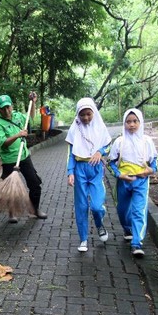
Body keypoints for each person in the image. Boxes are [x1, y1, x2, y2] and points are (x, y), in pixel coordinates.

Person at [108, 108, 158, 258]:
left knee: (138, 211)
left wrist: (150, 170)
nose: (132, 125)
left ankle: (137, 243)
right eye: (128, 121)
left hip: (141, 181)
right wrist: (119, 174)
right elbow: (111, 163)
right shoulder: (119, 142)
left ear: (140, 122)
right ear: (124, 123)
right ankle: (127, 228)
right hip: (123, 182)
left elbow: (154, 161)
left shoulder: (147, 141)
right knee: (122, 210)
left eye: (135, 121)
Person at [0, 93, 48, 222]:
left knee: (35, 184)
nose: (6, 110)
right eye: (3, 108)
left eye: (8, 107)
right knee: (10, 188)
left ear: (12, 106)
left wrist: (33, 103)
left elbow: (31, 116)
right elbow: (4, 142)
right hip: (9, 161)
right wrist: (18, 135)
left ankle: (34, 210)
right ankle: (12, 213)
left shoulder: (18, 116)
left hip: (24, 157)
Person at [66, 98, 112, 252]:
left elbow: (107, 145)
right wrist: (70, 172)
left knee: (97, 206)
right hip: (79, 169)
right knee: (82, 205)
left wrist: (100, 151)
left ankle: (99, 224)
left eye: (88, 114)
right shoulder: (74, 129)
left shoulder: (100, 127)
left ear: (94, 112)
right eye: (82, 114)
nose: (85, 117)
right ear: (77, 114)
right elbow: (71, 154)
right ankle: (83, 239)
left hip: (95, 169)